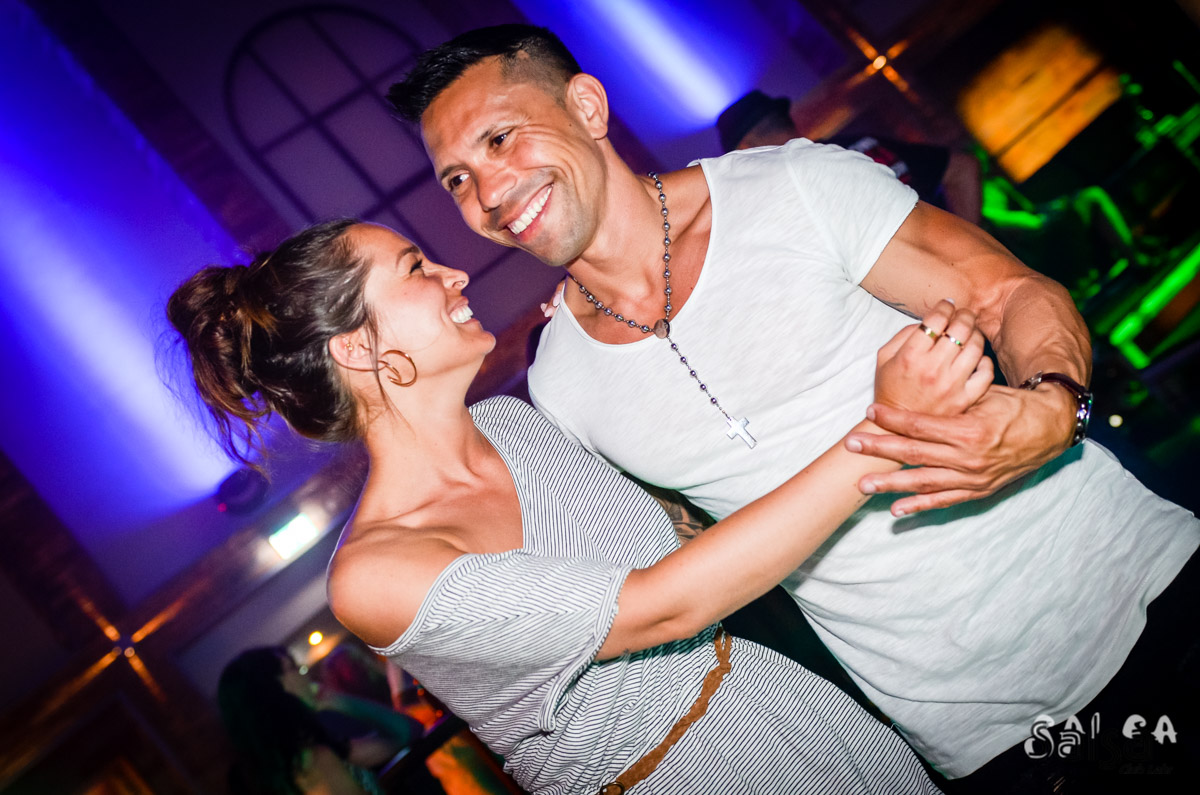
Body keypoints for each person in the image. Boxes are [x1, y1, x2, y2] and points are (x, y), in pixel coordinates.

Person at [388, 24, 1199, 791]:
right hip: (982, 735)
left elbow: (1007, 293)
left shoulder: (789, 187)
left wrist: (1054, 405)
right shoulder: (561, 381)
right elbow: (686, 546)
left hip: (1143, 590)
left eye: (501, 139)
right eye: (456, 179)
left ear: (588, 107)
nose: (488, 192)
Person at [168, 219, 988, 792]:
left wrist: (611, 349)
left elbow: (682, 534)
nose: (454, 274)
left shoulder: (513, 422)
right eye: (416, 268)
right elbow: (661, 605)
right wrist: (887, 430)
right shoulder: (374, 574)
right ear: (359, 348)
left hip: (790, 705)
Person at [716, 89, 983, 224]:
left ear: (746, 149)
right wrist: (972, 251)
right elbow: (963, 166)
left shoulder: (789, 195)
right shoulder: (862, 144)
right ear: (788, 121)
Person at [217, 646, 421, 794]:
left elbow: (409, 732)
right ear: (273, 689)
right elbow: (408, 731)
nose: (303, 673)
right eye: (292, 668)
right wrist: (337, 701)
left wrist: (334, 700)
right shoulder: (313, 760)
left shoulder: (298, 757)